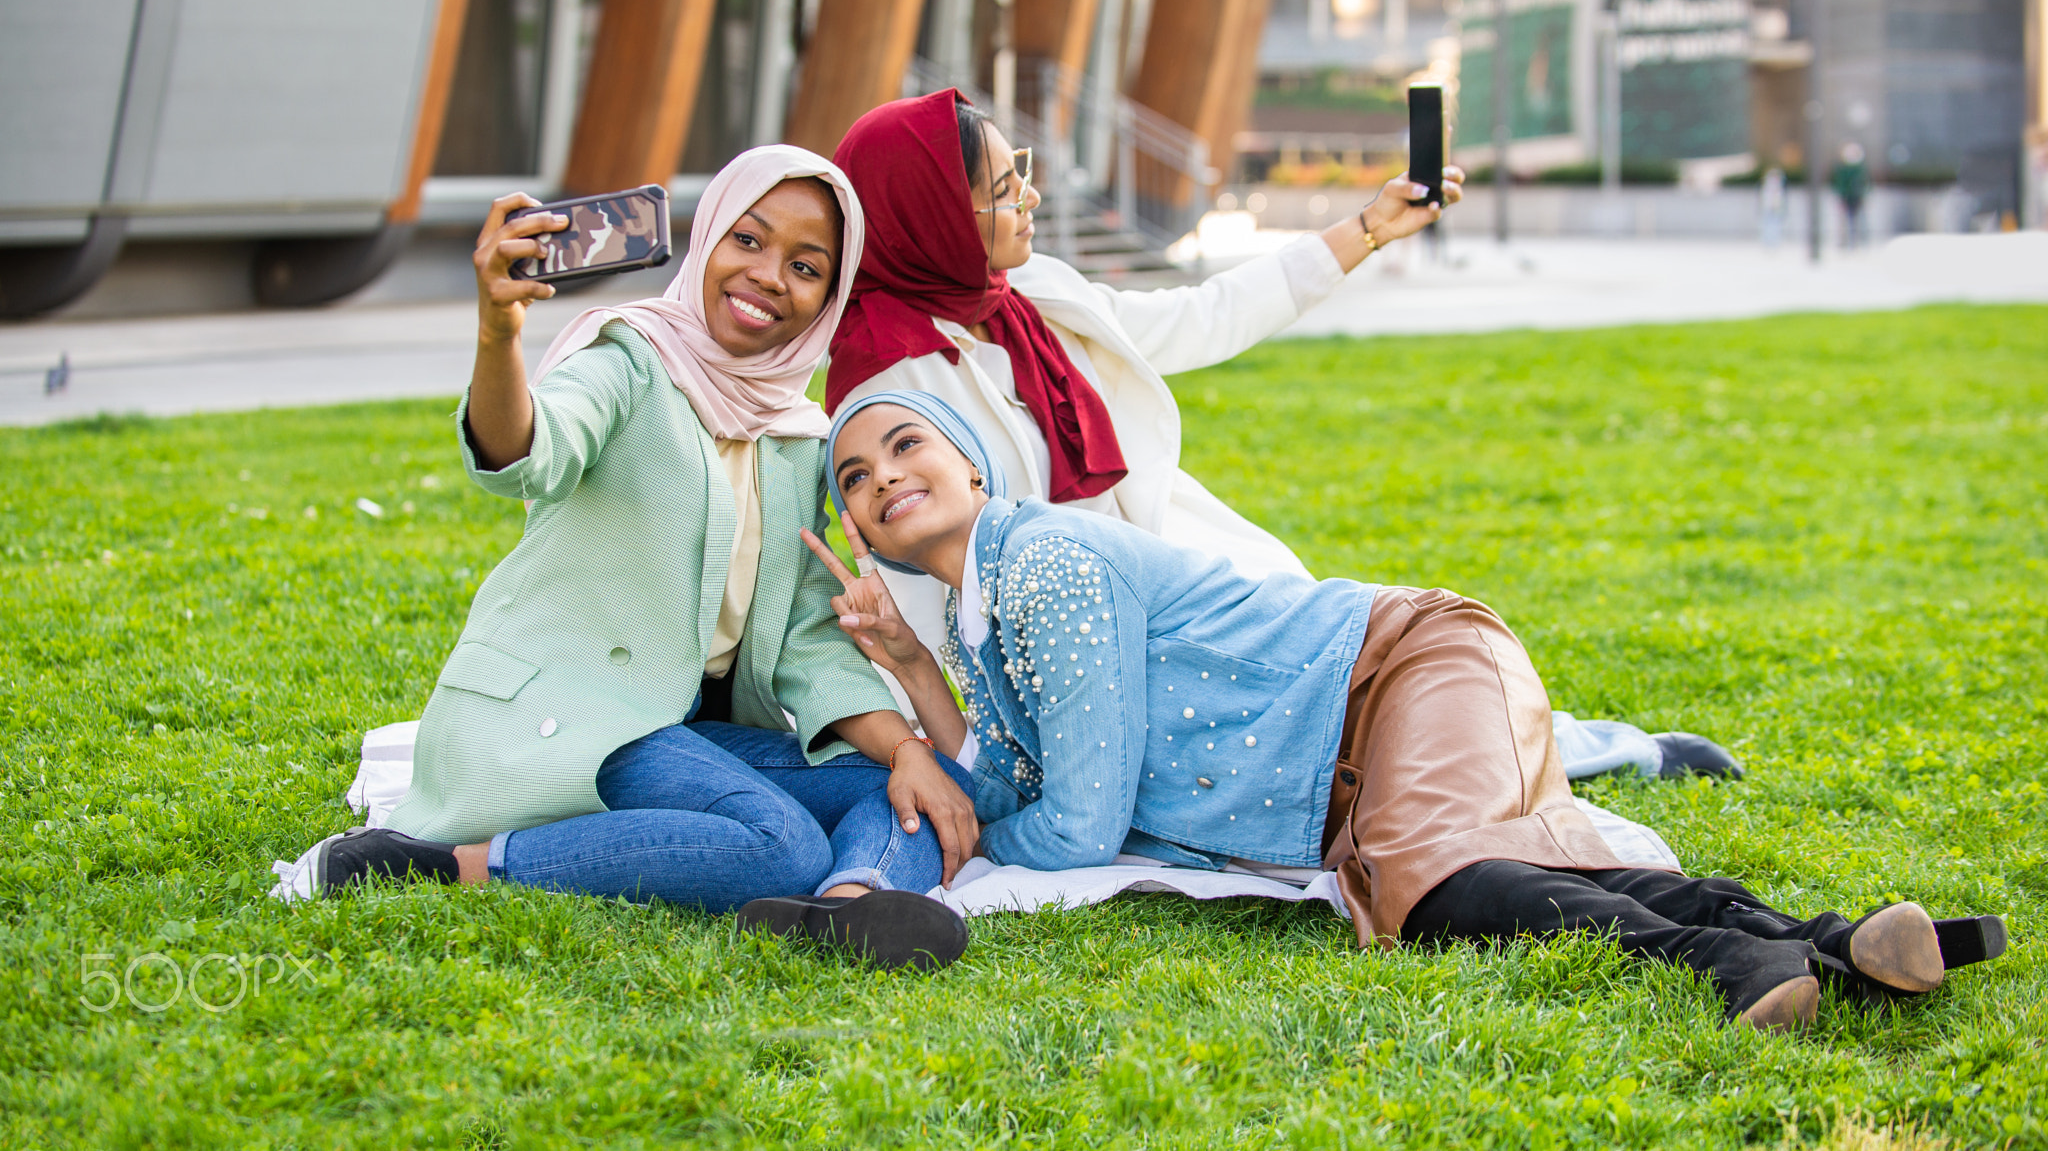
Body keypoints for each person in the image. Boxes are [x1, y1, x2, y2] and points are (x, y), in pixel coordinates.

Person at [806, 389, 2006, 1027]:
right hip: (1348, 758)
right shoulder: (987, 616)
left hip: (1399, 667)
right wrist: (914, 678)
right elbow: (1018, 778)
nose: (880, 478)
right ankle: (1827, 942)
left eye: (904, 443)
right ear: (858, 526)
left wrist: (973, 850)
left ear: (975, 466)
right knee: (1437, 867)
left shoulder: (1048, 563)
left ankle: (1728, 961)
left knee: (1421, 885)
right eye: (852, 479)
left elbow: (1067, 824)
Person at [825, 89, 1739, 783]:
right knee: (1326, 701)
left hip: (1159, 564)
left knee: (1351, 637)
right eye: (1000, 187)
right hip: (1077, 634)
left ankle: (1567, 743)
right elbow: (932, 580)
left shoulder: (1025, 295)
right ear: (935, 218)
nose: (1029, 195)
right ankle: (1570, 755)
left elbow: (1196, 316)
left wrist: (1366, 230)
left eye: (1019, 168)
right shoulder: (889, 378)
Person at [297, 147, 975, 970]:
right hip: (590, 707)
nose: (768, 276)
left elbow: (801, 630)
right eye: (748, 241)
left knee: (906, 783)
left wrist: (906, 746)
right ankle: (447, 865)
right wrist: (497, 330)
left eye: (806, 266)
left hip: (687, 729)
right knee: (781, 842)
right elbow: (529, 449)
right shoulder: (629, 361)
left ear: (828, 298)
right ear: (706, 240)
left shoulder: (796, 437)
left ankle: (845, 907)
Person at [1832, 143, 1870, 248]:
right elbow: (1839, 184)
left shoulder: (1860, 169)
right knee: (1844, 221)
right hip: (1847, 198)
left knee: (1858, 220)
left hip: (1857, 197)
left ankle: (1858, 240)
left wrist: (1863, 194)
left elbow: (1865, 183)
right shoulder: (1843, 169)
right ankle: (1845, 241)